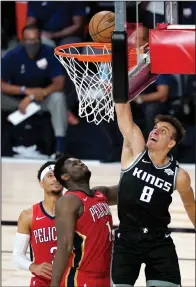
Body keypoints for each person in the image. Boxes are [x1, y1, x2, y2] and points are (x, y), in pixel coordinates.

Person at [112, 99, 195, 287]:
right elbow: (123, 113)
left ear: (171, 143)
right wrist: (120, 83)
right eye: (155, 127)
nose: (155, 131)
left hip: (159, 242)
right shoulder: (136, 151)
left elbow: (190, 205)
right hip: (126, 240)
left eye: (163, 131)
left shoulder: (179, 175)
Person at [1, 24, 67, 158]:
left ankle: (60, 148)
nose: (33, 44)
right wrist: (26, 92)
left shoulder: (49, 53)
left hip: (42, 98)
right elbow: (2, 84)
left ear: (40, 40)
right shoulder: (12, 55)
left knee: (58, 98)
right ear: (22, 41)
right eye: (29, 40)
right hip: (17, 98)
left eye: (36, 40)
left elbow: (59, 83)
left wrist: (33, 96)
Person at [50, 156, 118, 287]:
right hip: (80, 278)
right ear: (65, 177)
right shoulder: (69, 201)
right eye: (74, 164)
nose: (80, 163)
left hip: (104, 277)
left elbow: (129, 187)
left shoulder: (100, 194)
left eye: (80, 161)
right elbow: (64, 246)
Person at [12, 161, 64, 287]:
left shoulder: (76, 211)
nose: (55, 179)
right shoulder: (28, 215)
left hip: (70, 280)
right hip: (42, 282)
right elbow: (17, 256)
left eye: (58, 175)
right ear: (41, 183)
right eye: (50, 175)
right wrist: (33, 266)